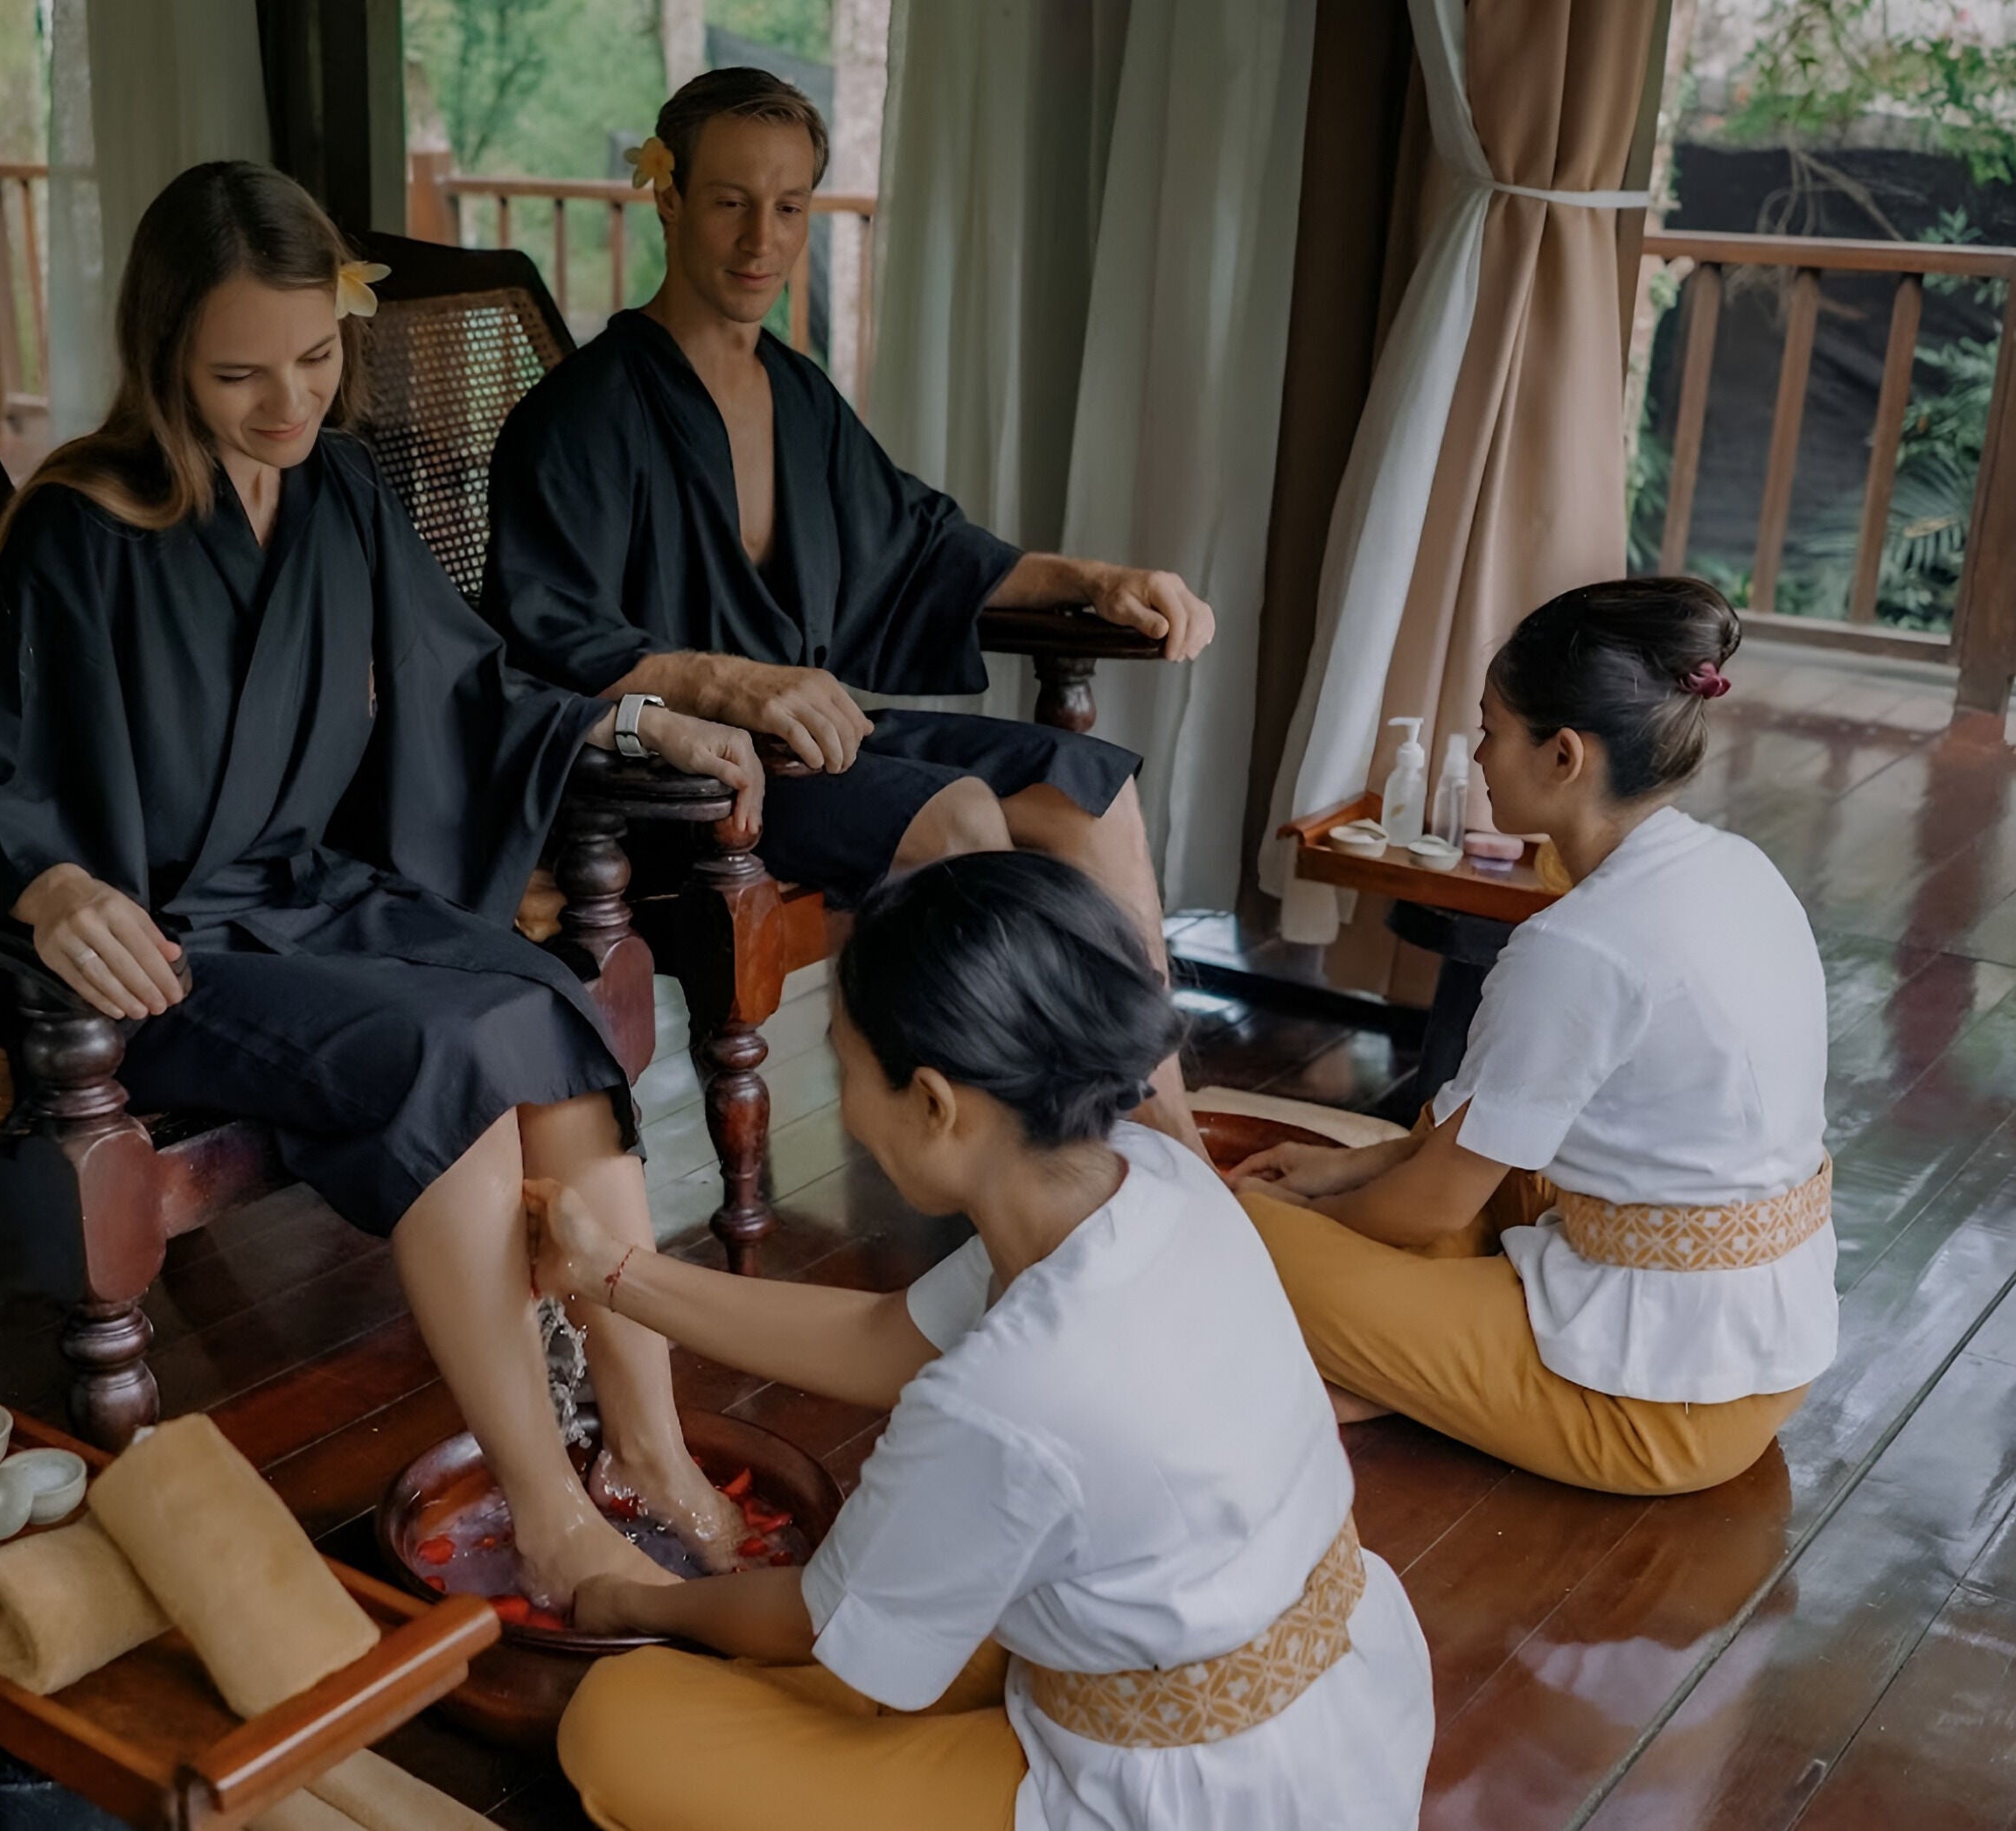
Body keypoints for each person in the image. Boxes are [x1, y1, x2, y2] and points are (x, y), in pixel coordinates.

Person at [0, 162, 771, 1605]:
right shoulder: (82, 525)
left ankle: (650, 1447)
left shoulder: (339, 491)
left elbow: (471, 681)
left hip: (313, 894)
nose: (289, 404)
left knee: (545, 1007)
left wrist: (634, 717)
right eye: (241, 373)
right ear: (164, 352)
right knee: (444, 1047)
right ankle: (551, 1511)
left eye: (314, 359)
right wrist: (52, 890)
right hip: (166, 948)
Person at [531, 851, 1432, 1831]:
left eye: (843, 1066)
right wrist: (610, 1271)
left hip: (1186, 1796)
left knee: (621, 1725)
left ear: (933, 1102)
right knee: (900, 1620)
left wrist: (635, 1599)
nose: (841, 1103)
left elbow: (816, 1624)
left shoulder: (1011, 1388)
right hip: (1341, 1708)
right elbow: (885, 1337)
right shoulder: (1150, 1179)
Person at [483, 66, 1214, 1154]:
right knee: (961, 815)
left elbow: (921, 545)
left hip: (815, 742)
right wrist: (725, 679)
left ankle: (1169, 1138)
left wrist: (1092, 580)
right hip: (673, 782)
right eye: (730, 201)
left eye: (789, 207)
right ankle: (1026, 1159)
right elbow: (548, 643)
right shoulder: (583, 415)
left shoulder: (798, 392)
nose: (760, 240)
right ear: (669, 197)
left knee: (1087, 793)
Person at [1232, 578, 1832, 1497]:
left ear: (1563, 755)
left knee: (1223, 1229)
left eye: (1490, 729)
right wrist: (1345, 1168)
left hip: (1658, 1409)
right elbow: (1486, 1135)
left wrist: (1313, 1228)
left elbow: (1434, 1203)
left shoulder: (1579, 944)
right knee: (1463, 1130)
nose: (1476, 756)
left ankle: (1382, 1363)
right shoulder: (1735, 868)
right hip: (1756, 1346)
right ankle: (1387, 1363)